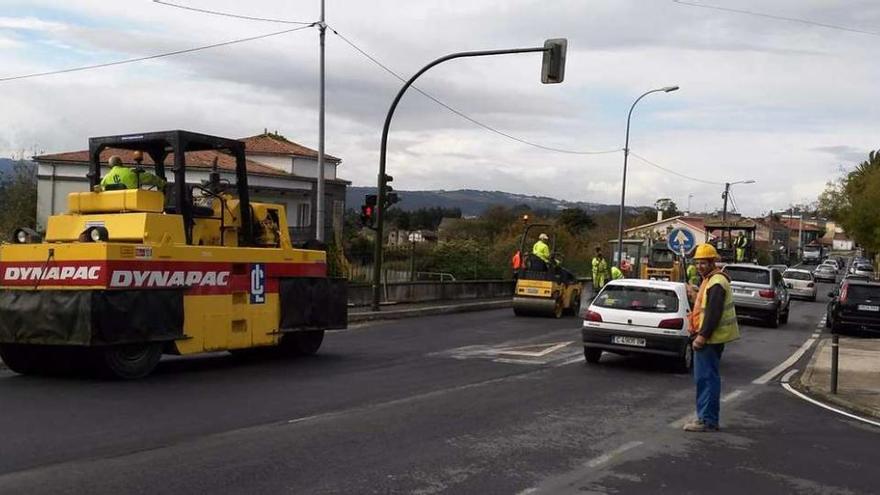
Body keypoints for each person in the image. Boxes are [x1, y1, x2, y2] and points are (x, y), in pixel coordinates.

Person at [684, 243, 740, 433]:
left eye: (703, 262)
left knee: (706, 379)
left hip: (710, 339)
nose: (699, 266)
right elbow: (706, 306)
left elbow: (713, 313)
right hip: (712, 338)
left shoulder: (716, 282)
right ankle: (708, 418)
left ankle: (706, 420)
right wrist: (694, 294)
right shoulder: (712, 280)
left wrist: (702, 336)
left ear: (712, 261)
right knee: (709, 378)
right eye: (697, 263)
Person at [100, 154, 166, 190]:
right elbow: (150, 177)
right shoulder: (131, 172)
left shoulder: (106, 178)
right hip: (132, 203)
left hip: (114, 206)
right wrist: (162, 183)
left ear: (110, 166)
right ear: (121, 163)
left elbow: (100, 188)